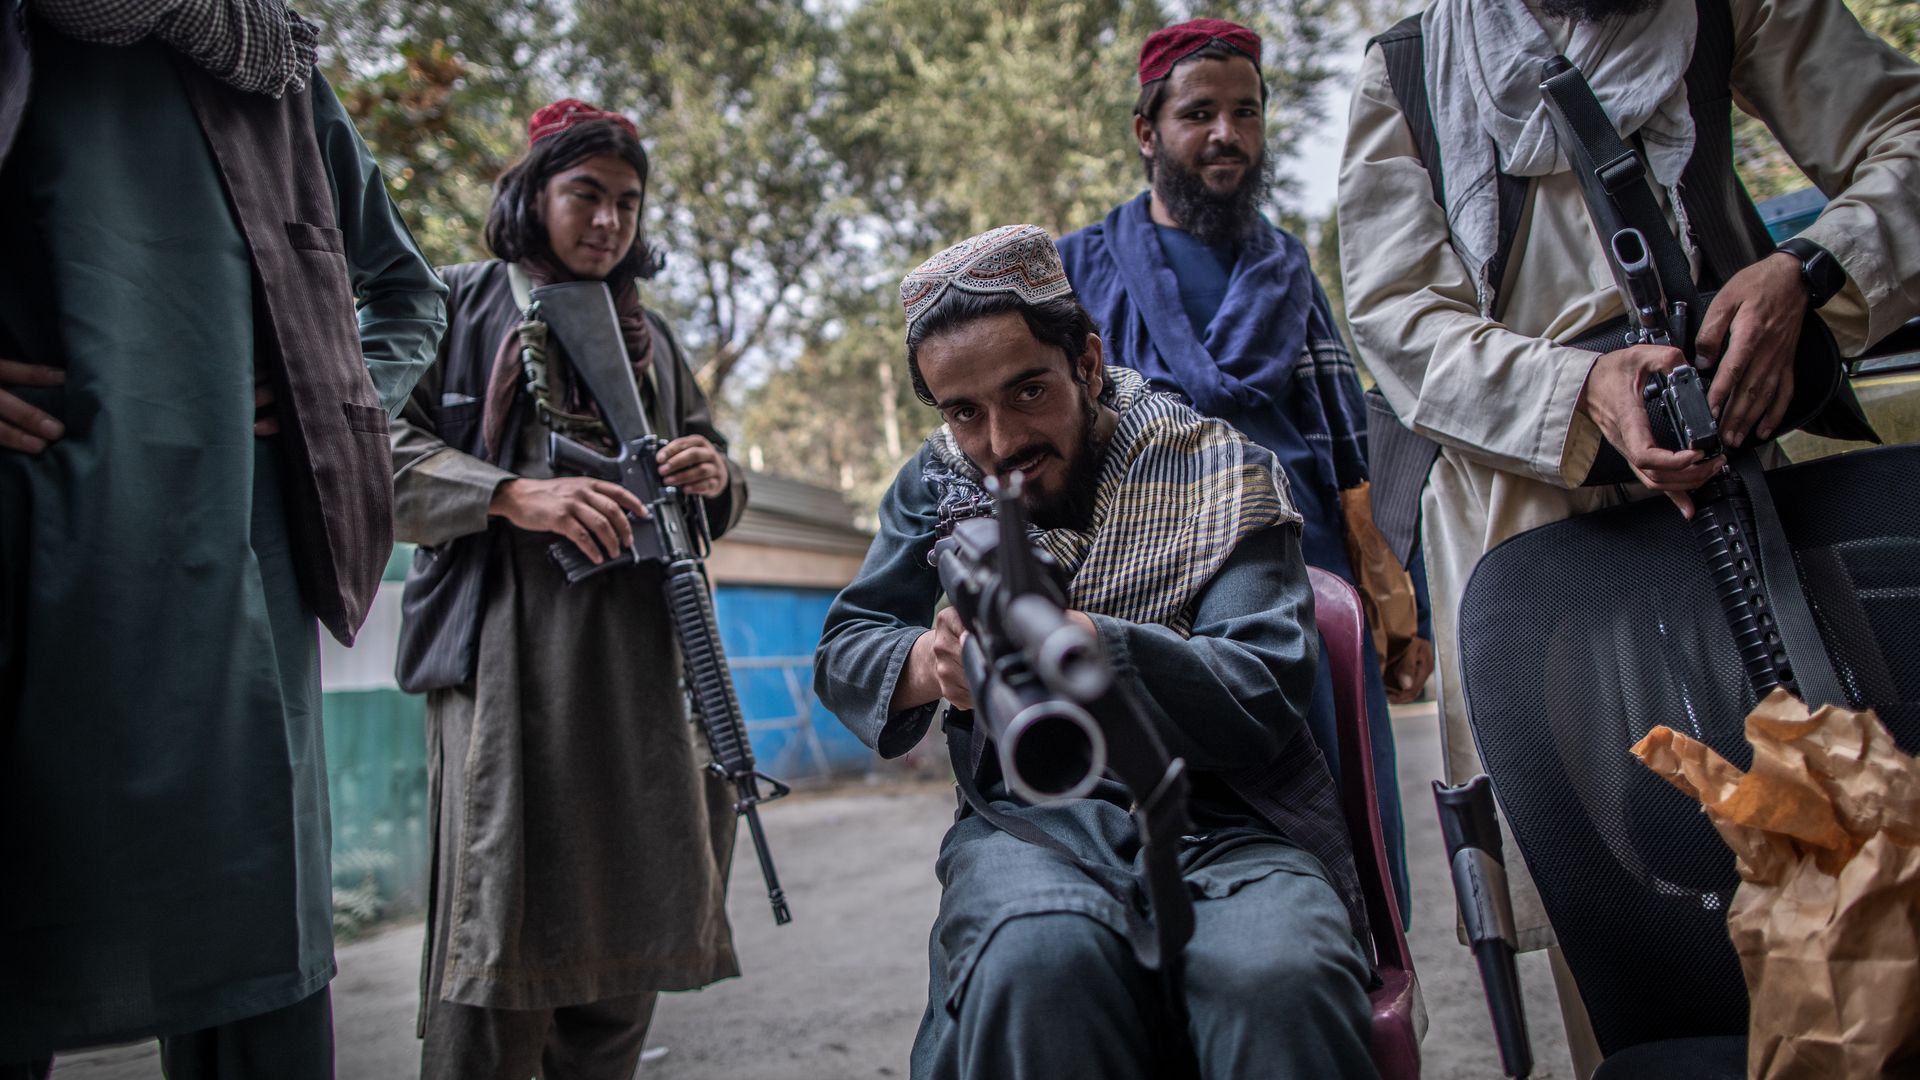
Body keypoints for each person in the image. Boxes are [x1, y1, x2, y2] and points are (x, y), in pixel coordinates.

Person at [1337, 0, 1920, 1072]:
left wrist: (1809, 273)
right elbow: (1394, 316)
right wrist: (1576, 390)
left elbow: (1905, 136)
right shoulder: (1410, 68)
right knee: (1613, 900)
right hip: (1532, 527)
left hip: (1736, 493)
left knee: (1838, 838)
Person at [815, 224, 1376, 1080]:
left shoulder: (1216, 469)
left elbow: (1262, 693)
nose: (1000, 442)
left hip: (1227, 819)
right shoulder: (935, 484)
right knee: (1036, 962)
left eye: (1028, 391)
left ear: (1086, 358)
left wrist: (1100, 647)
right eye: (964, 412)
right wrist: (935, 663)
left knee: (1276, 976)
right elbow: (846, 648)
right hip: (1028, 828)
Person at [0, 1, 446, 1076]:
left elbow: (403, 294)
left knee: (258, 976)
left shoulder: (270, 67)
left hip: (239, 590)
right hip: (32, 567)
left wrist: (329, 398)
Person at [390, 99, 748, 1080]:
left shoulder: (653, 340)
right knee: (498, 941)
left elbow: (716, 471)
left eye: (628, 204)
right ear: (531, 196)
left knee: (625, 937)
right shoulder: (450, 306)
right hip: (506, 671)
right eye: (584, 195)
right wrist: (511, 495)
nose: (607, 223)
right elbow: (370, 453)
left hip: (641, 668)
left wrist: (714, 474)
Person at [1056, 17, 1424, 918]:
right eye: (1200, 113)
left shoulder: (1286, 265)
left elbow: (1345, 443)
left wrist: (1389, 600)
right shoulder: (1079, 267)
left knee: (1345, 821)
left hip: (1305, 577)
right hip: (1145, 584)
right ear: (1149, 132)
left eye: (1247, 113)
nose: (1227, 134)